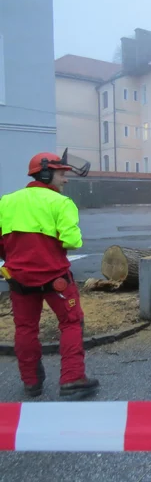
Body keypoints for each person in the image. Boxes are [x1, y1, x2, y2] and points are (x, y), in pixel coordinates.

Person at [0, 151, 99, 399]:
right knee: (71, 323)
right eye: (61, 174)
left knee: (25, 328)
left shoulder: (7, 201)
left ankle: (31, 382)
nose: (65, 179)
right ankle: (72, 379)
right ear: (46, 173)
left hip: (19, 279)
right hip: (55, 278)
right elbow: (73, 241)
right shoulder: (61, 203)